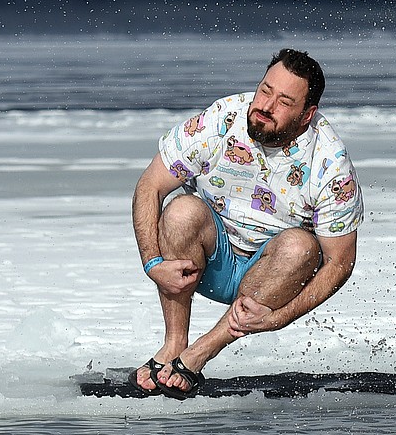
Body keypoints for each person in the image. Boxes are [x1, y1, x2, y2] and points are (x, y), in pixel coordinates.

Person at [128, 49, 364, 399]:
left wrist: (280, 317)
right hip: (206, 262)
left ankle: (201, 352)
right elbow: (151, 184)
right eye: (265, 90)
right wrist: (152, 263)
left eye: (284, 101)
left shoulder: (329, 163)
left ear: (306, 115)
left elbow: (340, 262)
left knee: (302, 245)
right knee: (181, 211)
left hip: (272, 276)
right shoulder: (222, 119)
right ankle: (174, 343)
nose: (267, 105)